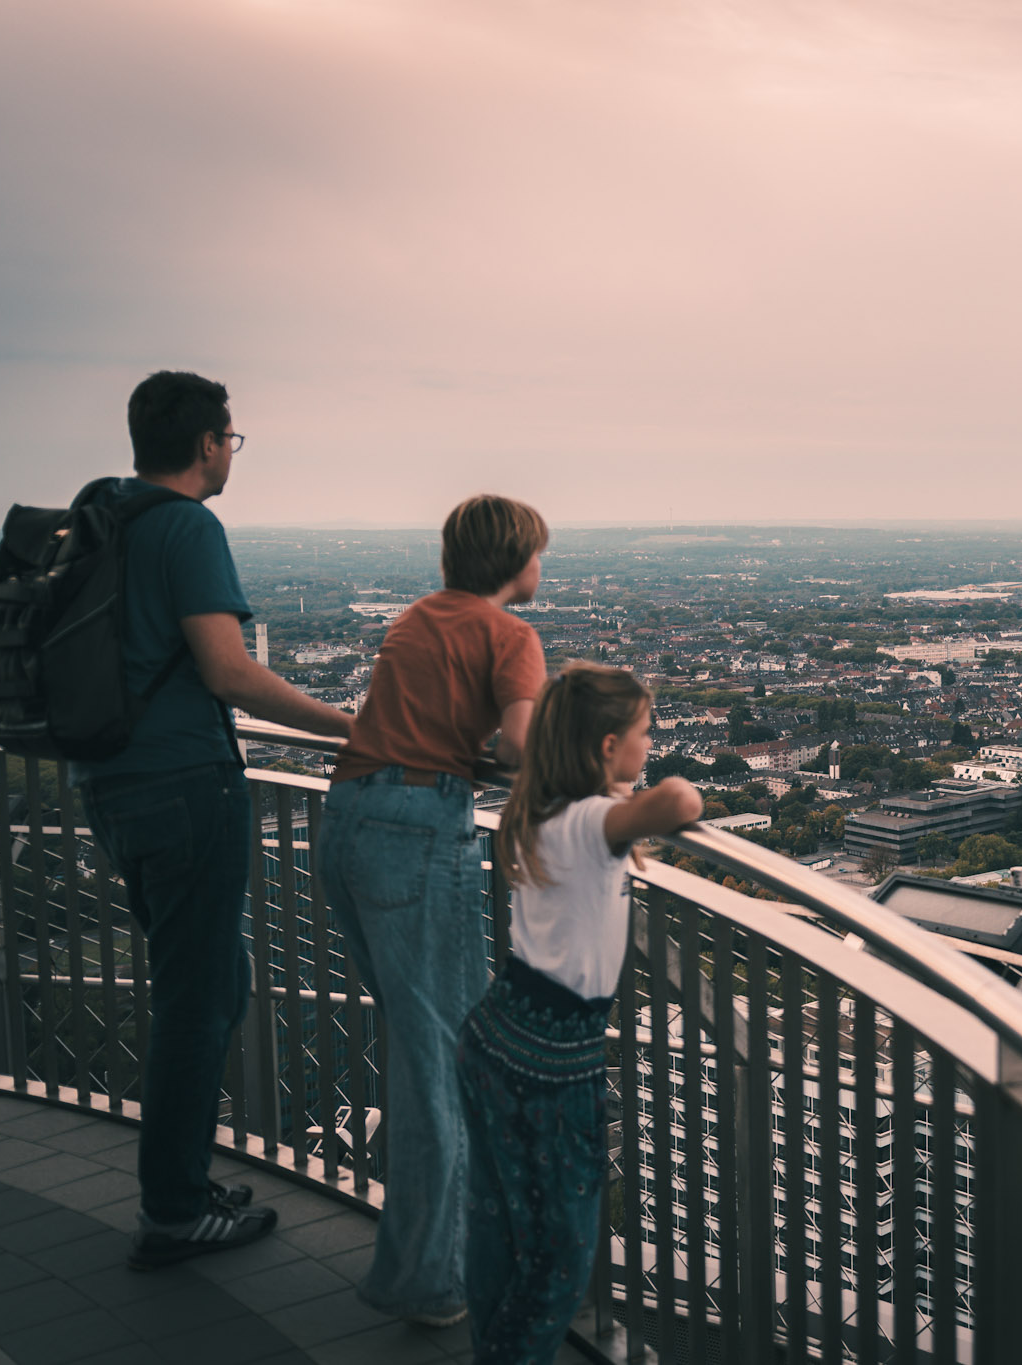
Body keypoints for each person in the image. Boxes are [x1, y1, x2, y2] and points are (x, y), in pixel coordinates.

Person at [72, 371, 354, 1269]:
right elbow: (231, 673)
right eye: (231, 439)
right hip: (187, 785)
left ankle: (184, 1179)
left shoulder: (104, 515)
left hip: (110, 782)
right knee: (198, 1002)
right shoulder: (189, 526)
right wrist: (355, 727)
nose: (232, 453)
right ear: (206, 444)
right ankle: (175, 1208)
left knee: (211, 978)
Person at [317, 494, 549, 1327]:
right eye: (538, 556)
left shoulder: (415, 618)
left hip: (345, 819)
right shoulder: (512, 636)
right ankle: (430, 1281)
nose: (540, 570)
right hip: (419, 833)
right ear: (517, 560)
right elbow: (520, 748)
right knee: (447, 1067)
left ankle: (427, 1258)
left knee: (424, 1054)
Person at [458, 664, 702, 1364]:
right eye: (645, 733)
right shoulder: (594, 821)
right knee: (563, 1254)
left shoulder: (543, 809)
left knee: (497, 1223)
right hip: (551, 1059)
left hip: (498, 1030)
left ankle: (489, 1343)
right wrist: (635, 794)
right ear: (604, 747)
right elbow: (679, 801)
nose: (652, 745)